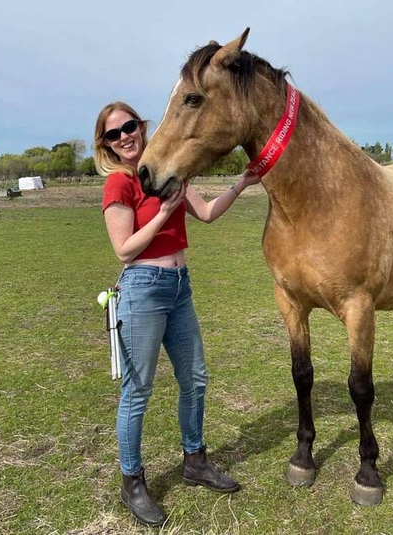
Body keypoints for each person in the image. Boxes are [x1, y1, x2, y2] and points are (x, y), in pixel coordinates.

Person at [94, 101, 261, 527]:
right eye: (113, 134)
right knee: (139, 390)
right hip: (143, 290)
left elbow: (205, 214)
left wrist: (241, 185)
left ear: (142, 127)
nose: (124, 137)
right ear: (107, 145)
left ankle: (194, 460)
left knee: (196, 378)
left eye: (129, 127)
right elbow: (124, 248)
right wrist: (165, 213)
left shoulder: (170, 174)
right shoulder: (119, 184)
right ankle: (132, 481)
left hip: (180, 287)